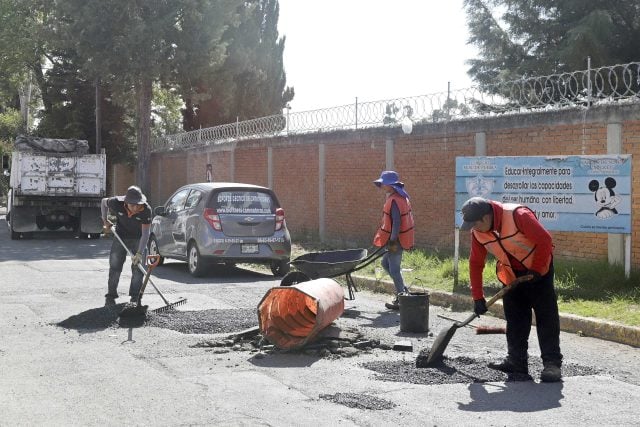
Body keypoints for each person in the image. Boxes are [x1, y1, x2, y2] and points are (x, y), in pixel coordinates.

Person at [460, 196, 563, 382]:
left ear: (485, 217)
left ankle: (552, 365)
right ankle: (517, 362)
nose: (473, 229)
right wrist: (477, 297)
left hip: (539, 271)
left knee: (546, 317)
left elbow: (545, 241)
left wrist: (537, 269)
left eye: (474, 224)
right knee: (515, 318)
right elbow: (476, 263)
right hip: (511, 274)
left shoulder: (518, 215)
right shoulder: (478, 232)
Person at [101, 185, 152, 306]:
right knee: (115, 267)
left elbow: (145, 234)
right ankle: (111, 296)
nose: (135, 207)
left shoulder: (146, 210)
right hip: (120, 237)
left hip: (138, 239)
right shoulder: (116, 203)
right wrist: (105, 220)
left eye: (137, 204)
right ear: (126, 202)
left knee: (138, 269)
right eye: (132, 205)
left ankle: (135, 298)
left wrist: (139, 253)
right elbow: (103, 202)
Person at [372, 170, 415, 310]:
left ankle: (401, 297)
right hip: (397, 238)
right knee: (385, 263)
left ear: (391, 185)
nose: (383, 186)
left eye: (385, 184)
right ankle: (402, 290)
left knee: (394, 270)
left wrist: (391, 241)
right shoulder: (400, 197)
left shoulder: (395, 200)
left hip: (395, 240)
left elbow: (396, 222)